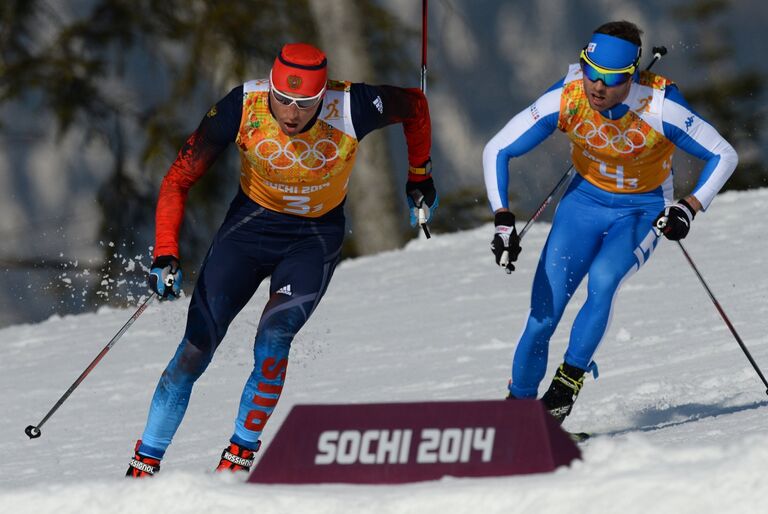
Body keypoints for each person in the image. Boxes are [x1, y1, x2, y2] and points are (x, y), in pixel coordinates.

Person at [126, 42, 437, 477]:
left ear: (323, 95)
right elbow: (179, 179)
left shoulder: (353, 104)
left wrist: (419, 175)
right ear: (269, 87)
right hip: (248, 230)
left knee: (273, 342)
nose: (291, 114)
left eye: (305, 104)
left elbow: (416, 106)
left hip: (312, 238)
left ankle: (238, 456)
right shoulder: (242, 105)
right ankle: (144, 464)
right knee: (195, 349)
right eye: (283, 100)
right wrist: (165, 251)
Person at [482, 21, 737, 426]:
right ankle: (517, 415)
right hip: (582, 204)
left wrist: (689, 207)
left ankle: (562, 394)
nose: (597, 87)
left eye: (612, 79)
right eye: (590, 72)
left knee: (602, 280)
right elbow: (497, 148)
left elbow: (723, 154)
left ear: (632, 75)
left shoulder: (660, 106)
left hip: (642, 209)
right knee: (542, 316)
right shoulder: (567, 98)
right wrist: (501, 219)